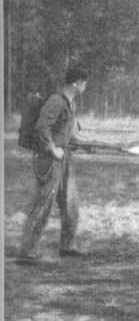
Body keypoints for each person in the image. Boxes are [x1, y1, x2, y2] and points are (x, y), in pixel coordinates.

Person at [17, 64, 114, 262]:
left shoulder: (71, 103)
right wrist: (54, 150)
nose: (85, 86)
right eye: (84, 82)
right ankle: (27, 251)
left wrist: (93, 144)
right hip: (49, 160)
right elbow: (42, 128)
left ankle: (67, 245)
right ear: (77, 83)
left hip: (64, 158)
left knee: (70, 204)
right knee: (43, 204)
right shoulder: (56, 101)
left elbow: (70, 135)